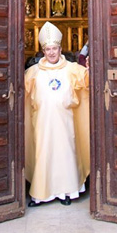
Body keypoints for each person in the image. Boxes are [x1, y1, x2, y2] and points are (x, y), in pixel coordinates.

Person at [25, 22, 90, 207]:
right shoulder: (33, 72)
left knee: (65, 153)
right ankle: (40, 195)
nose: (51, 52)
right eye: (47, 49)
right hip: (42, 123)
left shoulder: (71, 68)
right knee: (43, 154)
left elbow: (87, 81)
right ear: (43, 51)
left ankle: (66, 191)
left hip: (65, 122)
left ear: (60, 49)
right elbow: (21, 91)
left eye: (54, 48)